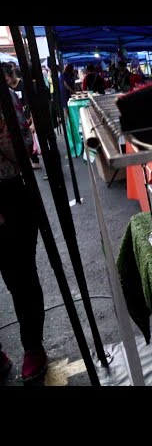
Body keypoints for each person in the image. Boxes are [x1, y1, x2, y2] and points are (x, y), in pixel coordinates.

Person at [0, 88, 48, 383]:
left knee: (22, 278)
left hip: (10, 193)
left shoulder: (4, 96)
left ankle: (33, 346)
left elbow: (25, 144)